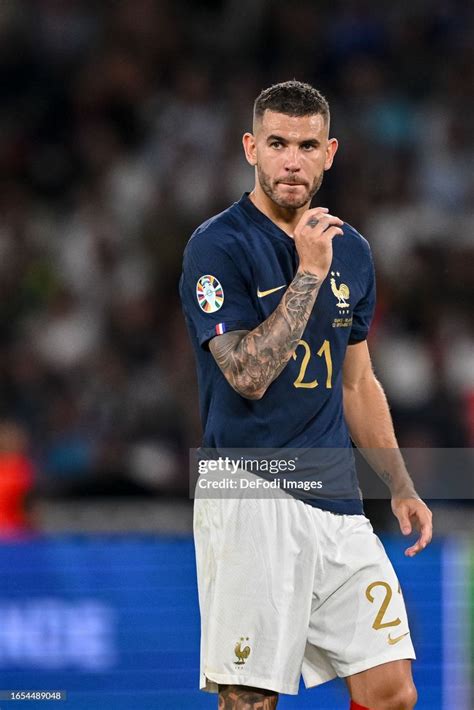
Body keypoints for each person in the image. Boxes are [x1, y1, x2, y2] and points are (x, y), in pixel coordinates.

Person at [179, 80, 432, 710]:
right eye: (277, 143)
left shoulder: (355, 253)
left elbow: (358, 382)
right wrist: (309, 272)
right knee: (249, 698)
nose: (292, 159)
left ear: (330, 153)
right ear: (250, 149)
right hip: (250, 494)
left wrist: (398, 484)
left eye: (307, 145)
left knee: (391, 688)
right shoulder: (217, 246)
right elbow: (245, 372)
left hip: (338, 501)